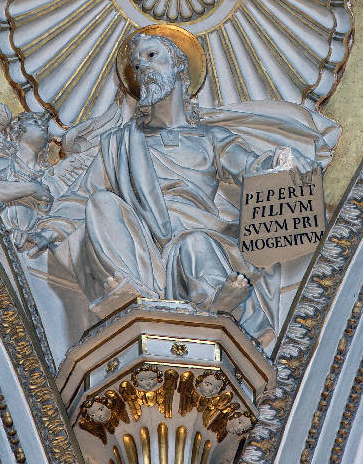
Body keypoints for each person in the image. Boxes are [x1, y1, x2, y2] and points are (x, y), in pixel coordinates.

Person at [27, 26, 328, 346]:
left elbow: (251, 169)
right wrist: (51, 229)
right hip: (140, 244)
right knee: (102, 203)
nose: (142, 68)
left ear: (179, 65)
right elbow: (82, 194)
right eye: (137, 64)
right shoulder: (120, 142)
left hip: (198, 232)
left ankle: (218, 308)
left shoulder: (211, 138)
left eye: (151, 56)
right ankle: (135, 298)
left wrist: (283, 159)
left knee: (195, 245)